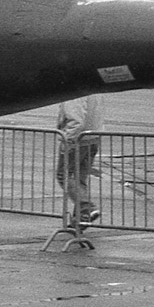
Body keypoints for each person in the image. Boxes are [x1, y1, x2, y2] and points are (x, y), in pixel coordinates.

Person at [56, 94, 102, 225]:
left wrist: (68, 140)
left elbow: (76, 121)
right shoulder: (94, 89)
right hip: (93, 136)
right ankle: (80, 220)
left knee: (63, 175)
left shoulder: (75, 91)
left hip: (78, 140)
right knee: (79, 179)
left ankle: (86, 208)